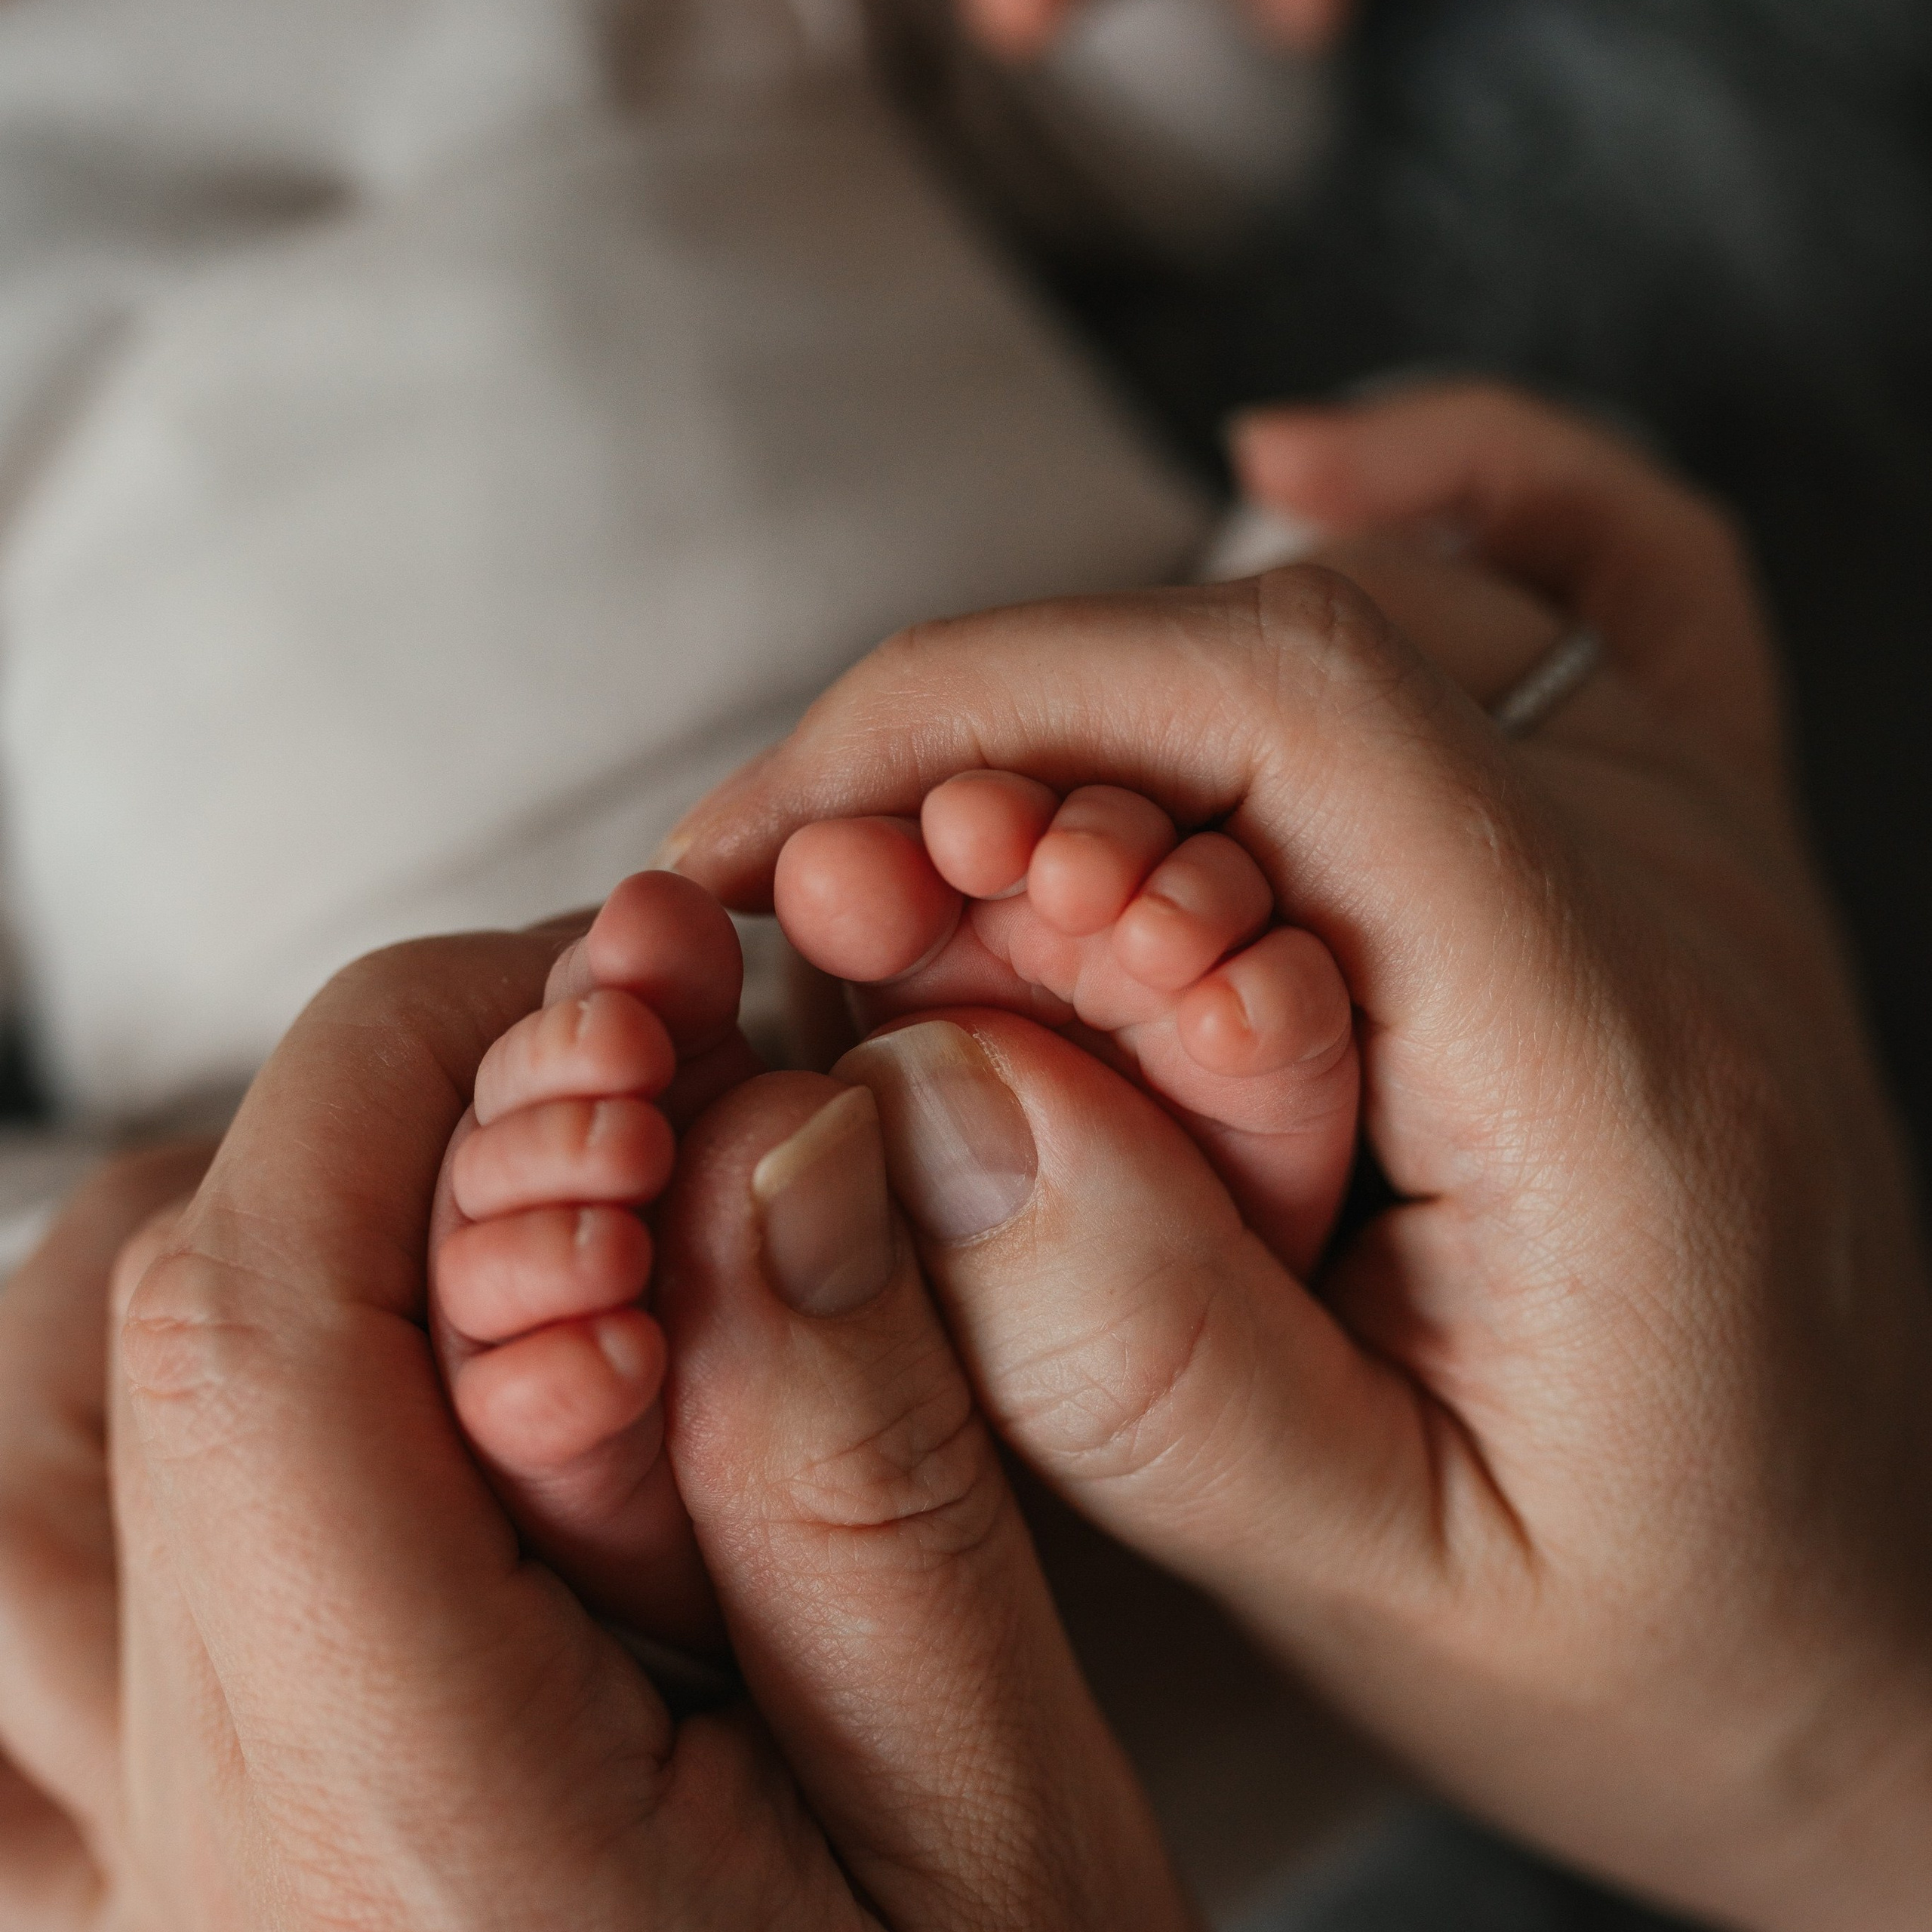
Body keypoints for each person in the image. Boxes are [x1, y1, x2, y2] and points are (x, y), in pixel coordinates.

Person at [2, 382, 1927, 1929]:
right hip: (343, 1002)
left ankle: (1110, 1140)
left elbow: (1084, 134)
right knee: (189, 1323)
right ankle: (678, 1467)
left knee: (198, 1357)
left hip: (1004, 715)